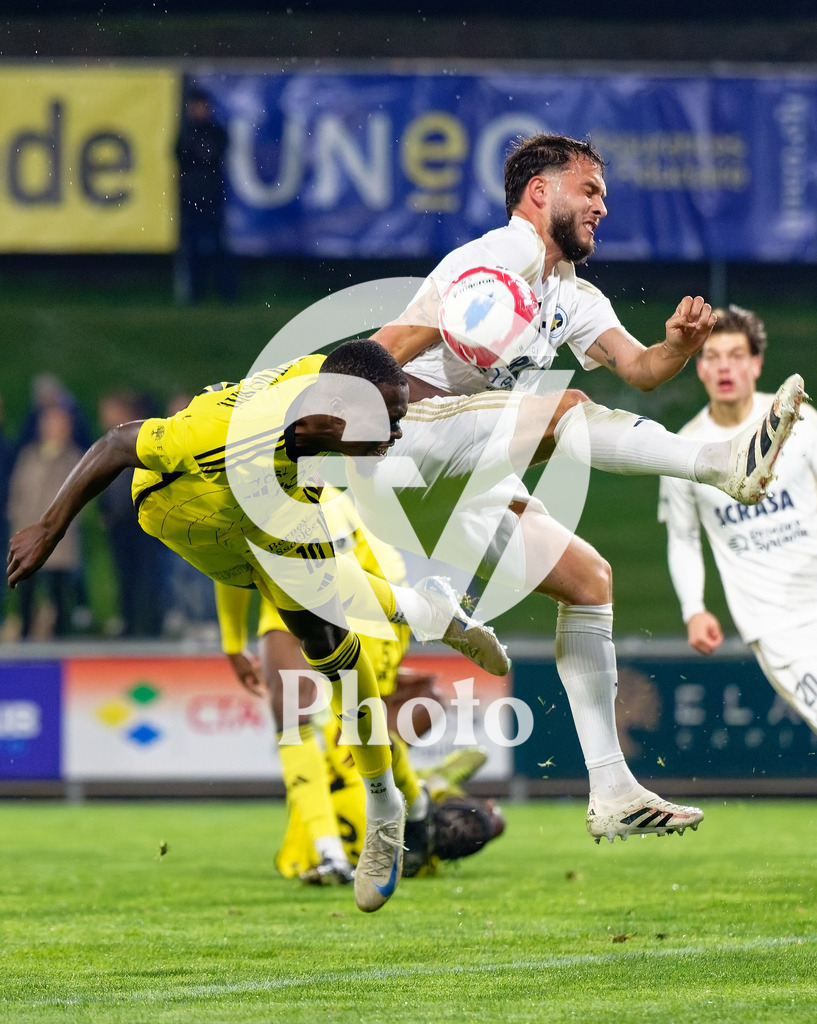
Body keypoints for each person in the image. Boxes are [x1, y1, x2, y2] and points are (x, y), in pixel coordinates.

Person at [366, 132, 804, 843]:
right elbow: (389, 348)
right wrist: (324, 414)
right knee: (564, 410)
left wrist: (679, 349)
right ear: (540, 192)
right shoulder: (493, 259)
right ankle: (722, 464)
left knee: (588, 580)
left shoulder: (566, 293)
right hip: (404, 449)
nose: (603, 205)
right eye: (591, 189)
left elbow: (639, 369)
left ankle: (610, 788)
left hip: (466, 471)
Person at [6, 340, 509, 913]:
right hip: (193, 509)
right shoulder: (226, 432)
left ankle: (385, 808)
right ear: (345, 409)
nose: (396, 435)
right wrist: (49, 527)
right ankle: (427, 612)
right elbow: (119, 442)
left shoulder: (334, 411)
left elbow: (374, 360)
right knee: (313, 655)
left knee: (333, 653)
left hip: (265, 526)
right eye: (390, 422)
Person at [659, 304, 817, 735]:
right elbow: (683, 537)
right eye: (712, 357)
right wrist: (693, 609)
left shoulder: (803, 422)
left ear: (757, 364)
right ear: (699, 369)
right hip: (775, 627)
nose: (725, 367)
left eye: (736, 356)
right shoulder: (685, 452)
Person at [7, 403, 84, 638]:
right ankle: (26, 639)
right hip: (28, 533)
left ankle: (59, 640)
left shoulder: (75, 458)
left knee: (59, 593)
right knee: (26, 592)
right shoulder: (29, 455)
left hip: (59, 538)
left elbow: (80, 494)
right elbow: (18, 491)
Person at [97, 391, 164, 637]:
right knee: (125, 576)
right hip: (119, 523)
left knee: (146, 576)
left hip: (141, 521)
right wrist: (106, 511)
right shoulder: (111, 441)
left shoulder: (137, 438)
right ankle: (131, 623)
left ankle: (149, 625)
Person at [174, 86, 236, 305]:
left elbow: (210, 154)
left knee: (218, 247)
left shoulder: (215, 132)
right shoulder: (188, 133)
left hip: (211, 197)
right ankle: (195, 293)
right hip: (192, 198)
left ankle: (226, 293)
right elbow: (183, 155)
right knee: (192, 249)